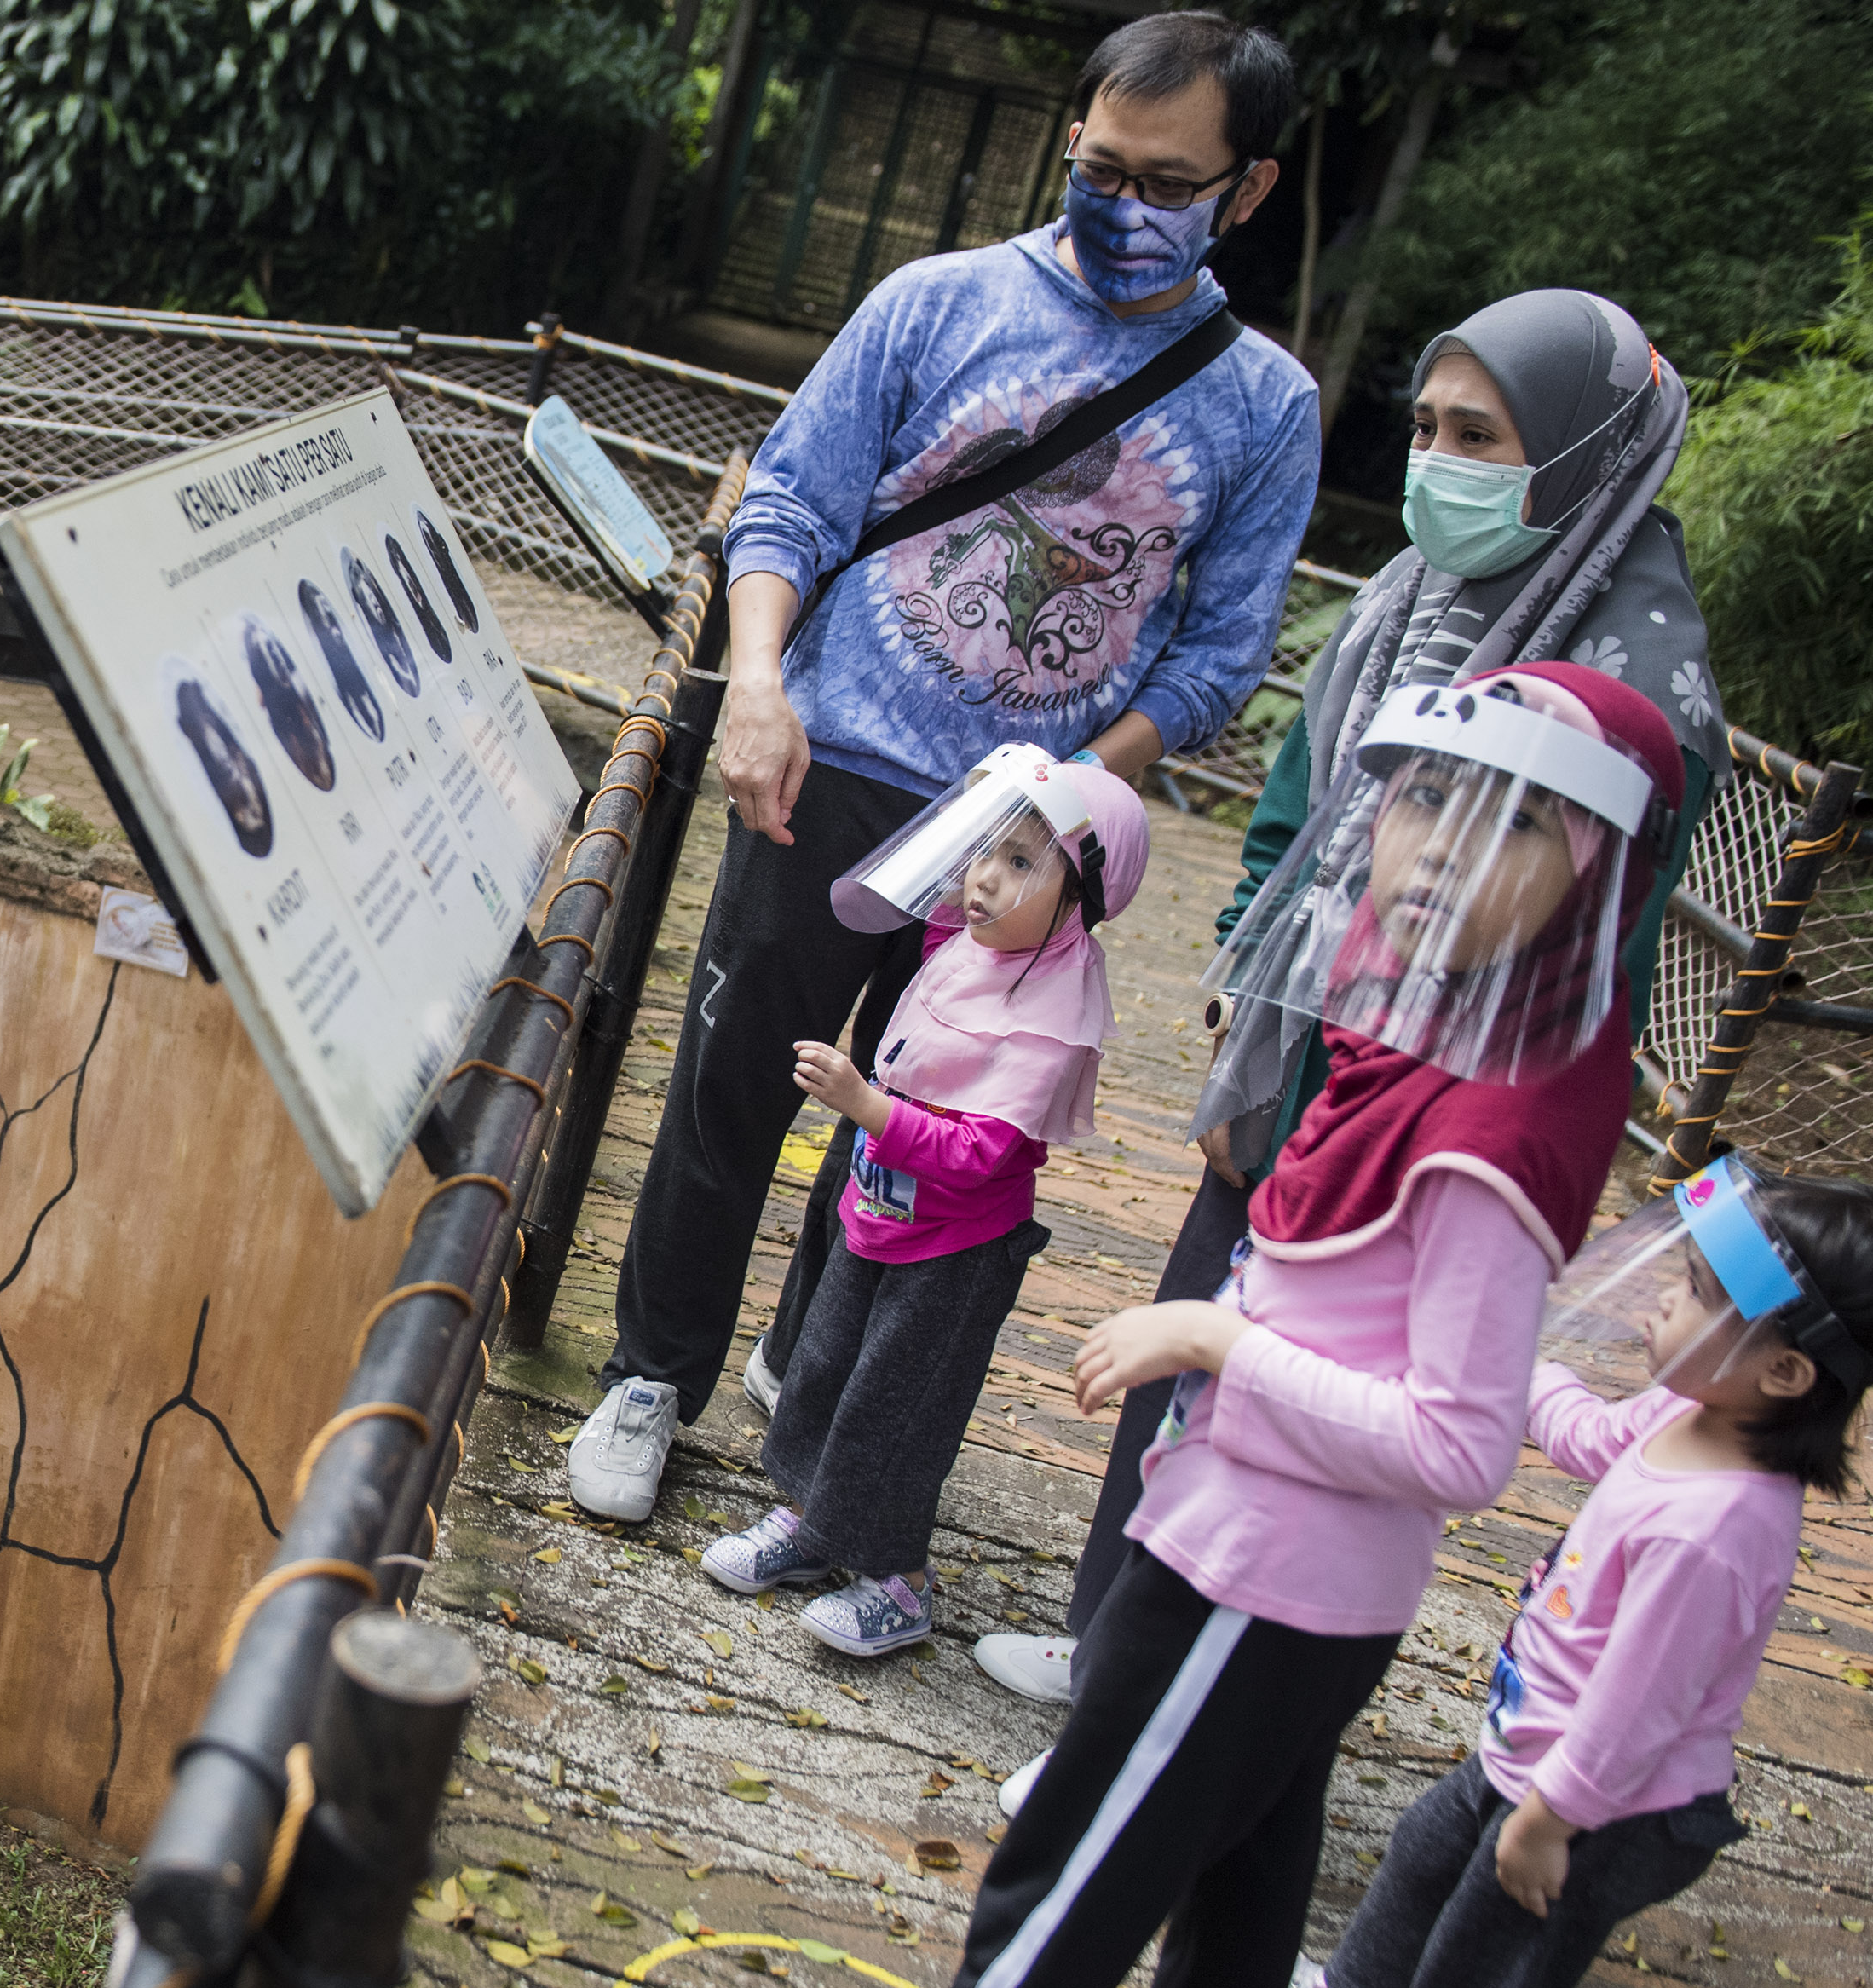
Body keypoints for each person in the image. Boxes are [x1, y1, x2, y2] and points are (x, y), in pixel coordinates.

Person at [700, 661, 1686, 1988]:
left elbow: (1459, 1437)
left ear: (1592, 865)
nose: (1432, 841)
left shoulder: (1499, 1127)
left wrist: (1212, 1345)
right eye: (1422, 795)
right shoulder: (1456, 1054)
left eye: (1505, 815)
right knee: (1246, 1876)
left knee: (1055, 1895)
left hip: (1256, 1577)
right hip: (1282, 1567)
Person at [562, 10, 1319, 1523]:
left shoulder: (1265, 405)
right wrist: (764, 685)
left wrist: (1056, 799)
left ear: (1247, 192)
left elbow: (1222, 655)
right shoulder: (937, 302)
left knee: (926, 1134)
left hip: (1023, 848)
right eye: (1099, 162)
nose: (1120, 199)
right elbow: (789, 502)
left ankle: (807, 1363)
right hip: (827, 763)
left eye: (1166, 179)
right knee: (730, 1083)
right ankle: (654, 1370)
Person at [977, 286, 1723, 1726]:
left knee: (1313, 1382)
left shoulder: (1636, 677)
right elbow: (1302, 806)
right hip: (1310, 1037)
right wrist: (1260, 1004)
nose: (1435, 462)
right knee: (1198, 1334)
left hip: (1447, 1097)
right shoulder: (1408, 598)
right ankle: (1114, 1646)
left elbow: (1593, 947)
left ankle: (1197, 1689)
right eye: (1428, 426)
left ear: (1580, 451)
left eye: (1481, 435)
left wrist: (1452, 1103)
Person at [1236, 1164, 1873, 1988]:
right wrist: (1515, 1361)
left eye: (1695, 1291)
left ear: (1785, 1371)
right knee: (1430, 1848)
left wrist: (1549, 1818)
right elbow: (1591, 1436)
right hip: (1542, 1754)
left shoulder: (1721, 1527)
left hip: (1606, 1801)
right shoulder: (1684, 1414)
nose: (1661, 1296)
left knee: (1492, 1955)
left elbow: (1640, 1709)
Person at [700, 751, 1152, 1655]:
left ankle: (898, 1579)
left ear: (1083, 895)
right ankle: (810, 1521)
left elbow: (986, 1151)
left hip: (953, 1247)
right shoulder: (969, 942)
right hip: (881, 1206)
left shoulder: (1050, 1007)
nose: (983, 876)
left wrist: (868, 1105)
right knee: (824, 1362)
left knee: (896, 1405)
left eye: (1022, 862)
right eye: (984, 848)